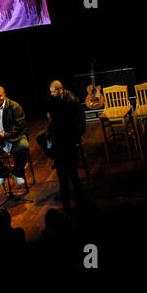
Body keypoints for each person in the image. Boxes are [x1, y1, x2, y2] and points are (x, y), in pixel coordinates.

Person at [46, 80, 86, 214]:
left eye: (53, 92)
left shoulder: (69, 102)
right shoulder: (59, 108)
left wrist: (76, 139)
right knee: (72, 176)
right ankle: (76, 205)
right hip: (65, 145)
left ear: (60, 91)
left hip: (67, 143)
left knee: (66, 178)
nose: (51, 94)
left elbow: (79, 120)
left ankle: (70, 207)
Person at [0, 86, 29, 186]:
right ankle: (2, 173)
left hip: (14, 136)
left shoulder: (14, 106)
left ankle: (18, 173)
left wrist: (5, 135)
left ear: (4, 95)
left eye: (0, 96)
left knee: (23, 147)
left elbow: (20, 125)